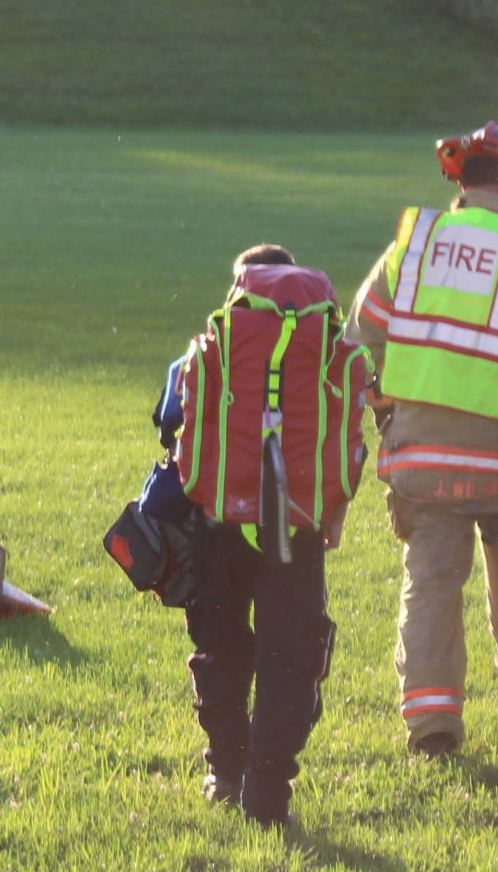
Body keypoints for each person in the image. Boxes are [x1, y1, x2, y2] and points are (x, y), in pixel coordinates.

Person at [346, 122, 498, 755]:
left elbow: (361, 333)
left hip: (422, 458)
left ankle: (432, 724)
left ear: (463, 182)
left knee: (430, 583)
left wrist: (395, 398)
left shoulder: (415, 242)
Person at [154, 244, 372, 825]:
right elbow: (348, 435)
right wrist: (333, 513)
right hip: (297, 523)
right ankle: (268, 790)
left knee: (221, 644)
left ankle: (225, 771)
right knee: (291, 656)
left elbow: (173, 425)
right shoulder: (324, 352)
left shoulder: (214, 347)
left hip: (220, 520)